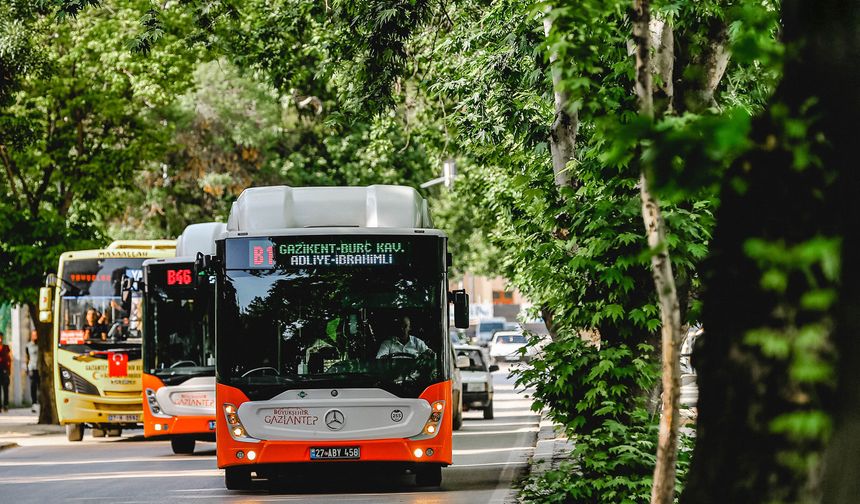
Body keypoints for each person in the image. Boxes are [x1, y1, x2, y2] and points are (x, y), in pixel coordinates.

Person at [25, 330, 39, 412]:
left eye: (36, 335)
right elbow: (27, 357)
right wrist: (27, 368)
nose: (35, 336)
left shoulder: (41, 345)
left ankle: (40, 403)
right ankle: (34, 403)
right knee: (33, 387)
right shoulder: (28, 346)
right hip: (32, 368)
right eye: (34, 335)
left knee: (40, 388)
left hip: (40, 369)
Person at [0, 331, 11, 412]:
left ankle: (6, 405)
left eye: (1, 337)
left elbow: (9, 359)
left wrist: (9, 369)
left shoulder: (6, 347)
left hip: (4, 370)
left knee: (5, 388)